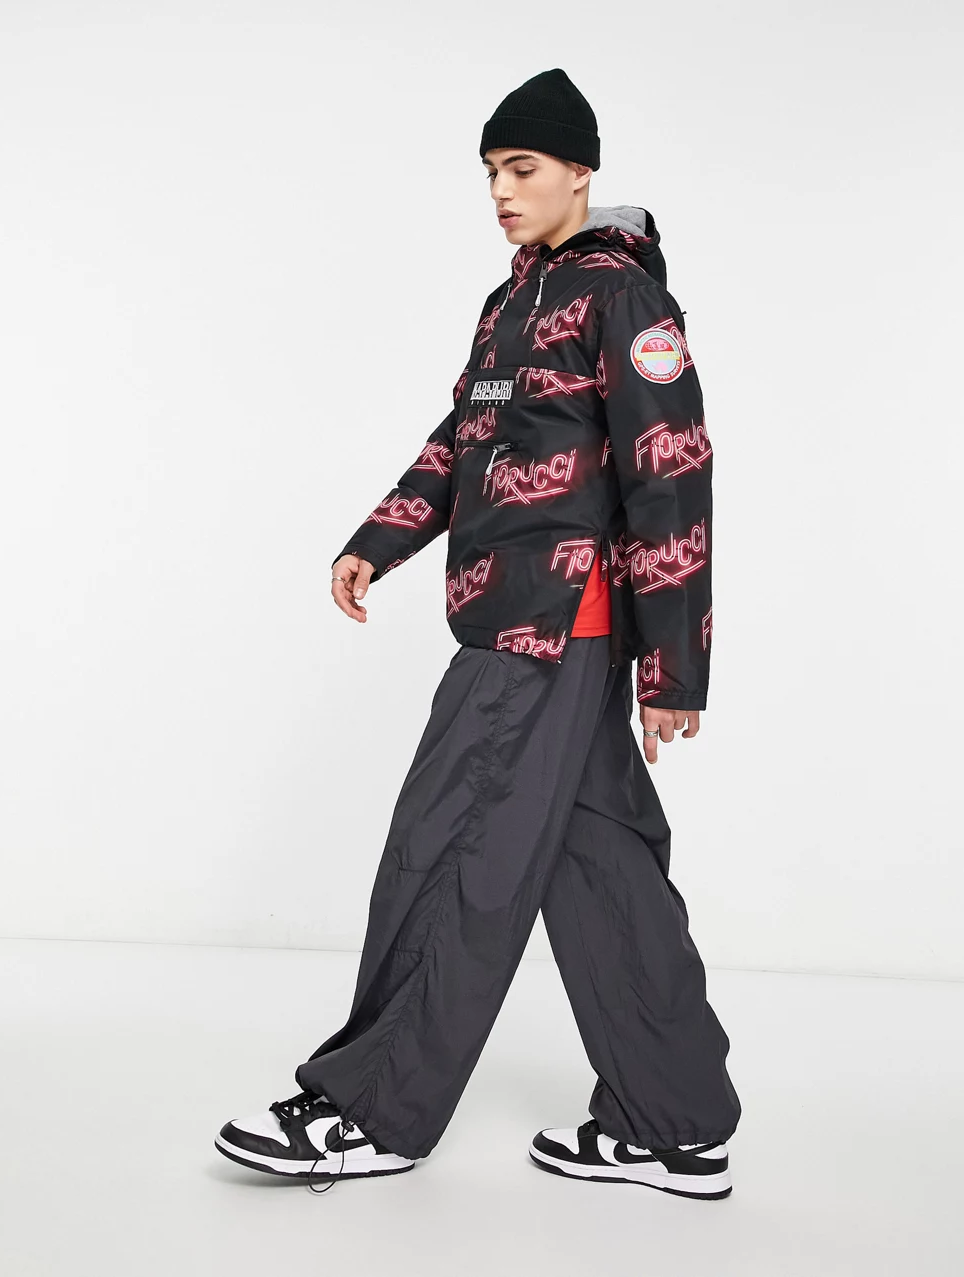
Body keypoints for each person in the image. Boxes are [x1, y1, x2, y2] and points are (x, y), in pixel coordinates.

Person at [214, 67, 740, 1199]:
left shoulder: (624, 301)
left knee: (451, 845)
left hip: (550, 626)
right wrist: (377, 539)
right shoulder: (511, 301)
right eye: (491, 171)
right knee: (602, 868)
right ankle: (675, 1123)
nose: (502, 190)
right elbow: (461, 441)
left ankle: (372, 1106)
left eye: (523, 168)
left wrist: (672, 667)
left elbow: (670, 477)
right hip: (514, 616)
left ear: (579, 172)